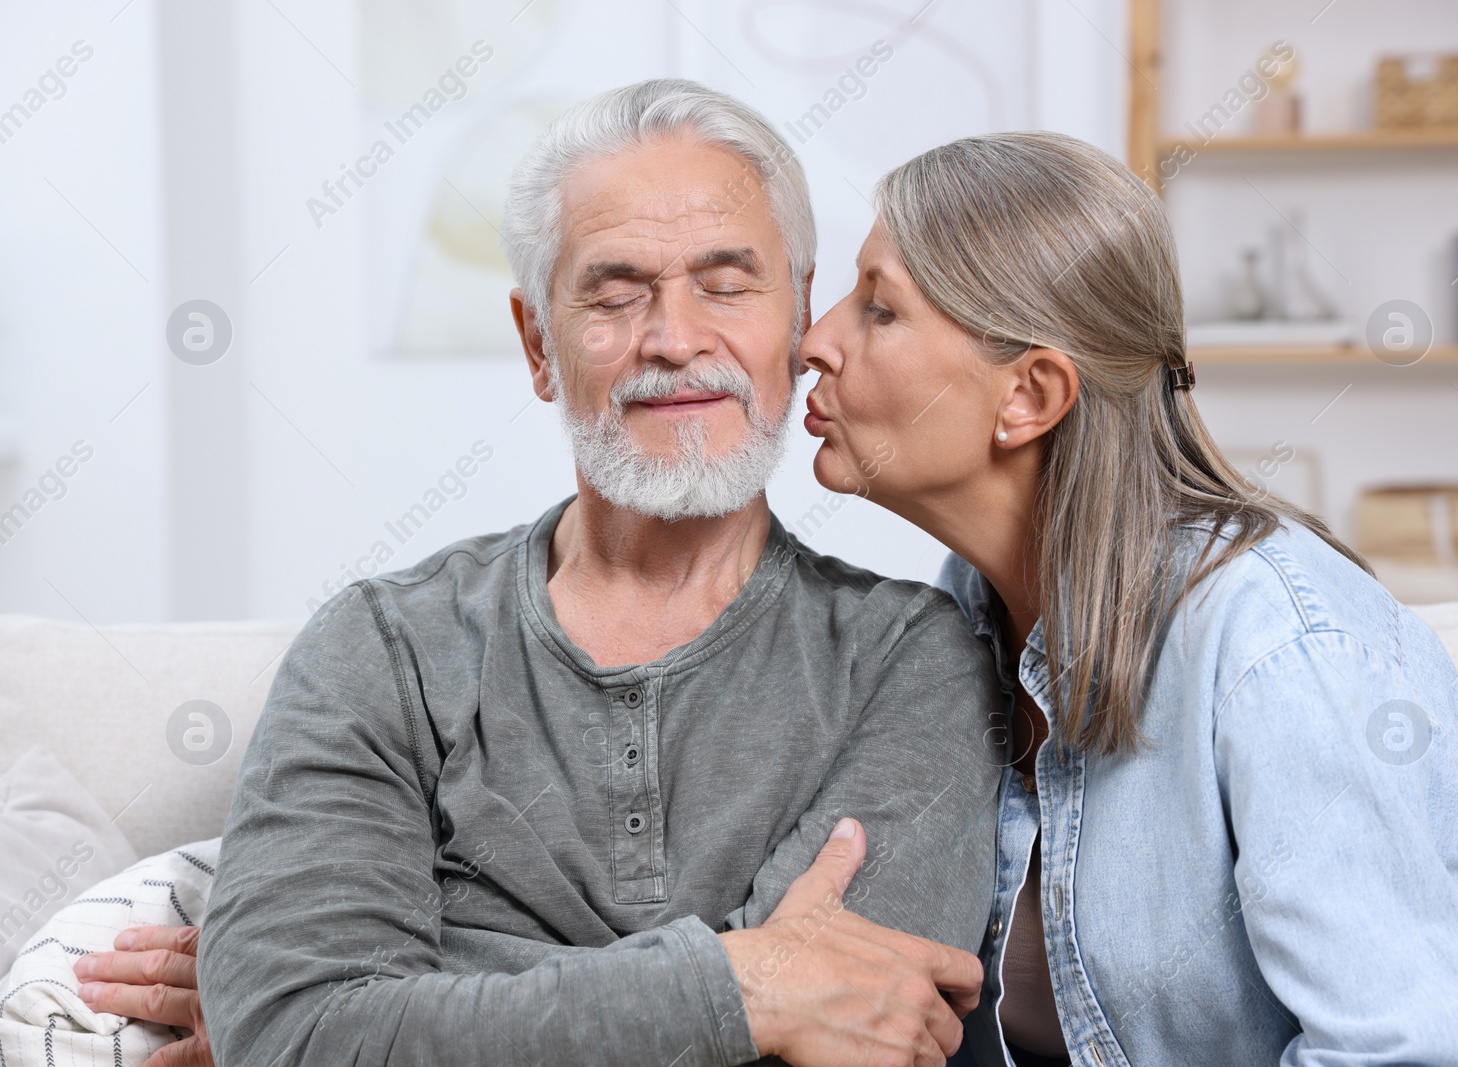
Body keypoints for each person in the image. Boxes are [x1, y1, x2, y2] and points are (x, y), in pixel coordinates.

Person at [69, 79, 1005, 1067]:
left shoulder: (908, 656)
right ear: (537, 343)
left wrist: (437, 992)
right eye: (614, 292)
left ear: (799, 317)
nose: (675, 337)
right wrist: (744, 986)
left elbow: (869, 1030)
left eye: (727, 284)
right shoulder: (383, 648)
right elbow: (301, 1033)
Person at [796, 129, 1458, 1065]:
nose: (816, 342)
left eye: (878, 309)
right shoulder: (966, 613)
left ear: (1030, 395)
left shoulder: (1275, 641)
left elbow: (1408, 1053)